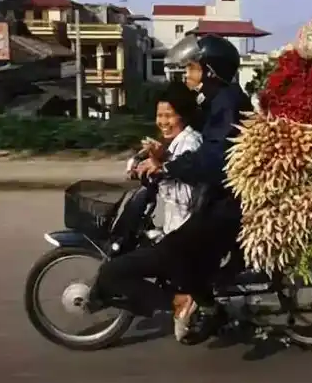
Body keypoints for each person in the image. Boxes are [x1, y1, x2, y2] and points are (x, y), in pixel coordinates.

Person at [136, 34, 253, 344]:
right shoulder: (216, 101)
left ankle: (212, 310)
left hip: (228, 201)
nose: (188, 75)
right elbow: (191, 139)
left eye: (193, 68)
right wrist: (162, 154)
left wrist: (169, 168)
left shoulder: (226, 102)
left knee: (178, 252)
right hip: (220, 194)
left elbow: (214, 158)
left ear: (210, 71)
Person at [88, 81, 204, 319]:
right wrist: (146, 165)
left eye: (169, 116)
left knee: (113, 272)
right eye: (159, 116)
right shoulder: (175, 142)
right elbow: (163, 164)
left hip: (183, 238)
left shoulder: (190, 144)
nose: (163, 122)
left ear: (182, 115)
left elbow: (188, 196)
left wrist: (160, 170)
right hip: (175, 231)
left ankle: (179, 302)